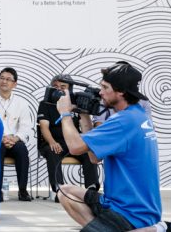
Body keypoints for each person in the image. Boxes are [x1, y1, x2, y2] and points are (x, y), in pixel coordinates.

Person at [56, 62, 162, 230]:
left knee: (66, 193)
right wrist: (84, 115)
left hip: (129, 212)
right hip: (136, 206)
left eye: (105, 88)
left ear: (121, 92)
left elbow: (75, 147)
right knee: (65, 191)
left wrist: (65, 114)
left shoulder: (122, 122)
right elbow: (94, 157)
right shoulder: (137, 115)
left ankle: (155, 229)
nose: (100, 92)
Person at [37, 74, 99, 202]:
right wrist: (52, 142)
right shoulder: (45, 103)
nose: (59, 89)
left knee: (88, 151)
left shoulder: (76, 103)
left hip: (73, 141)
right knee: (53, 150)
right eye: (55, 86)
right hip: (54, 142)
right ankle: (59, 189)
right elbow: (44, 127)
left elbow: (85, 125)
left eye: (63, 86)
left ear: (70, 89)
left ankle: (91, 189)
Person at [0, 67, 33, 202]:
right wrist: (2, 138)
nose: (4, 81)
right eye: (2, 78)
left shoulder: (21, 103)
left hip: (15, 140)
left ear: (14, 84)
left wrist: (14, 138)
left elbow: (26, 127)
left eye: (8, 79)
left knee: (22, 150)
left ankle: (22, 191)